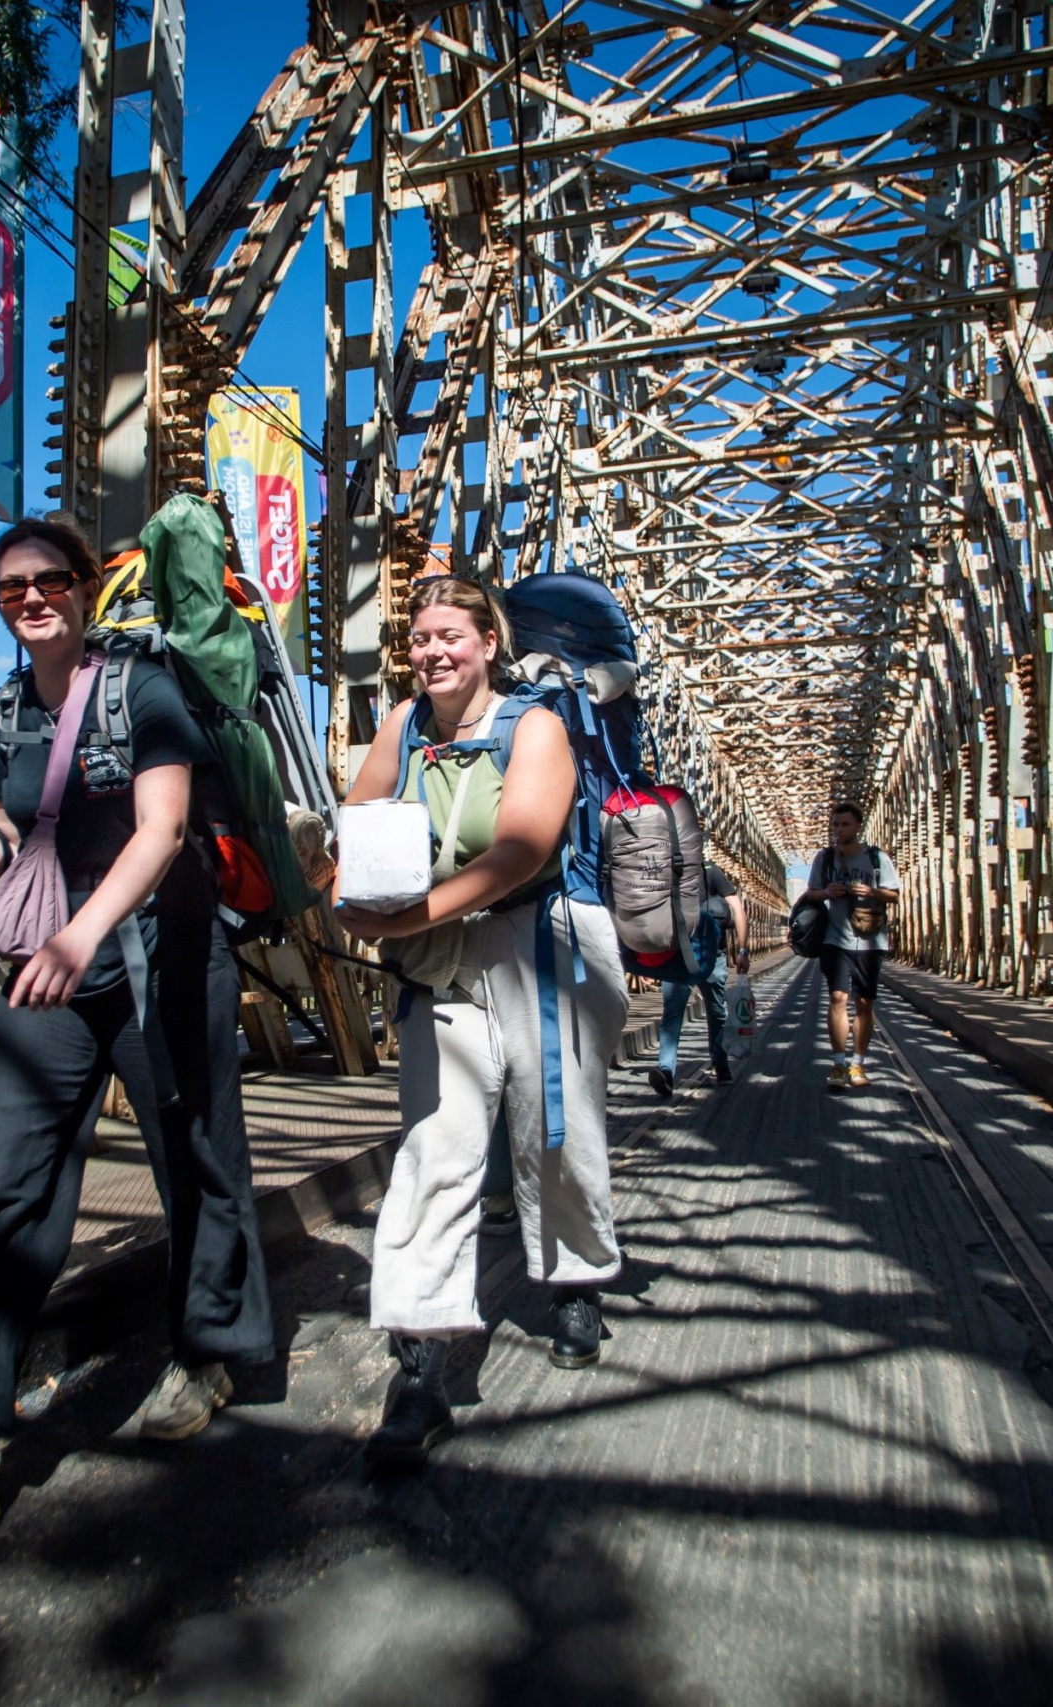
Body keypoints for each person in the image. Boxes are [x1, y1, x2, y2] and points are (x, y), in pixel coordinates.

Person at [0, 517, 274, 1529]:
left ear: (85, 587)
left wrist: (76, 938)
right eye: (11, 587)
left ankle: (208, 1354)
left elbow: (162, 828)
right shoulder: (0, 713)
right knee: (4, 1182)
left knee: (197, 1161)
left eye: (50, 579)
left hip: (161, 960)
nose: (32, 596)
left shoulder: (143, 690)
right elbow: (15, 837)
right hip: (52, 974)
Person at [337, 577, 629, 1468]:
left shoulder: (535, 725)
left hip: (540, 946)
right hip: (440, 963)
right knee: (435, 1143)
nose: (432, 650)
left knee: (557, 1129)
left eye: (450, 634)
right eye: (419, 636)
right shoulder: (403, 725)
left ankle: (576, 1277)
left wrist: (409, 913)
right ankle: (420, 1356)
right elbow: (359, 817)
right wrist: (343, 877)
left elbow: (524, 848)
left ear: (487, 642)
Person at [796, 802, 899, 1092]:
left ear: (857, 826)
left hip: (870, 940)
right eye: (835, 825)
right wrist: (827, 892)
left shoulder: (877, 859)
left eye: (844, 824)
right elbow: (811, 893)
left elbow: (895, 895)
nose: (838, 829)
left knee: (864, 1002)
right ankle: (839, 1064)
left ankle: (858, 1063)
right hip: (835, 939)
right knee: (838, 999)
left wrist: (871, 891)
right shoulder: (824, 858)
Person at [649, 861, 748, 1099]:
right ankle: (666, 1071)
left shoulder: (710, 871)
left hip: (709, 954)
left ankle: (719, 1063)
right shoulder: (665, 872)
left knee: (712, 1011)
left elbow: (737, 909)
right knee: (679, 1013)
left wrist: (743, 950)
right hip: (677, 955)